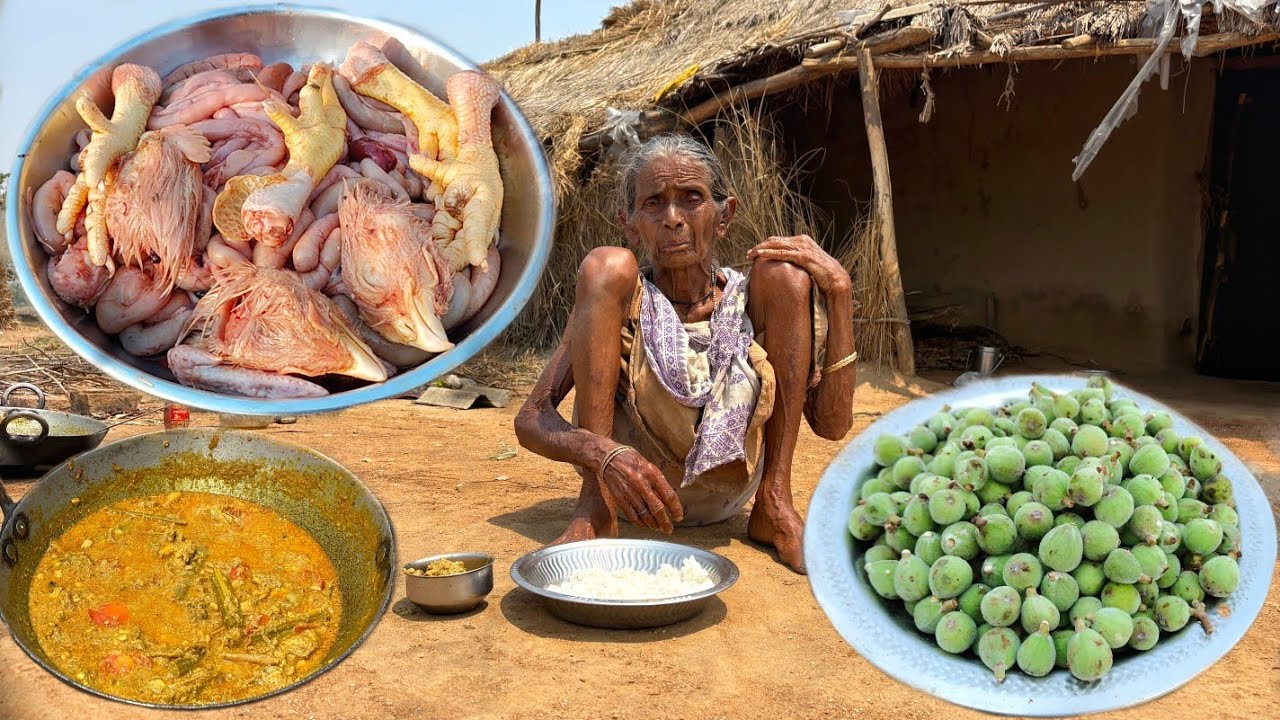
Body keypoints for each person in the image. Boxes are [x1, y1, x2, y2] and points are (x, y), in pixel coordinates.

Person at [514, 134, 856, 573]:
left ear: (723, 216)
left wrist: (840, 293)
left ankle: (774, 502)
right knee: (605, 264)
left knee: (786, 274)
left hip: (729, 495)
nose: (673, 218)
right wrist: (603, 455)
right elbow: (531, 419)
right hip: (632, 496)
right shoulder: (615, 295)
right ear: (631, 223)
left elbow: (832, 425)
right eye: (654, 203)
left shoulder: (751, 299)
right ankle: (594, 508)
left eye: (691, 199)